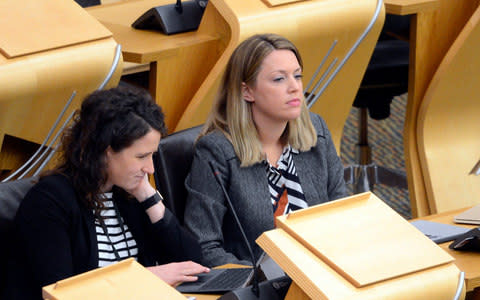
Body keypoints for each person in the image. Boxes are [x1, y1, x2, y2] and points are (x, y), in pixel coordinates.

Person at [3, 86, 209, 299]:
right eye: (141, 157)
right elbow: (61, 293)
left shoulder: (127, 194)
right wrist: (147, 278)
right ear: (106, 150)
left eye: (152, 156)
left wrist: (150, 199)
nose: (150, 168)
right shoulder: (50, 201)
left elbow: (194, 265)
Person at [183, 33, 348, 267]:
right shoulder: (216, 152)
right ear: (247, 92)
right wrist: (257, 281)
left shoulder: (316, 131)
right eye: (279, 79)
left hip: (325, 271)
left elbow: (343, 213)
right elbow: (204, 246)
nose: (294, 88)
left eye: (297, 76)